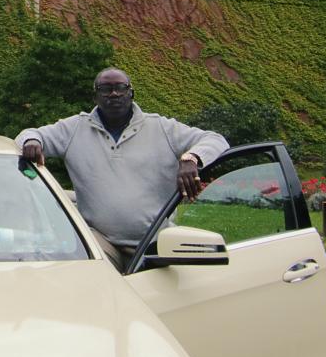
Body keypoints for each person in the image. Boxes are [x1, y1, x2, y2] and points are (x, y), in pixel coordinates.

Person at [17, 67, 227, 270]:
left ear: (131, 93)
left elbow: (216, 140)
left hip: (154, 242)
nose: (114, 94)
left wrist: (191, 159)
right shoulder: (74, 129)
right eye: (106, 89)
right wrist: (33, 141)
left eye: (121, 88)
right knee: (89, 282)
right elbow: (28, 136)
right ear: (95, 96)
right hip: (101, 242)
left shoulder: (162, 128)